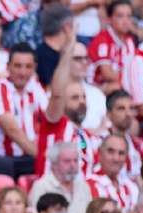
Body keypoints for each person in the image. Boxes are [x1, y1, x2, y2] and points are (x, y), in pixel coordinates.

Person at [35, 26, 98, 178]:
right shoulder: (54, 123)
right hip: (52, 191)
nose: (82, 102)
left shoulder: (85, 135)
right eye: (75, 98)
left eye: (83, 97)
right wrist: (68, 51)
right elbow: (57, 95)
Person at [0, 42, 45, 169]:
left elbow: (48, 118)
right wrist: (42, 158)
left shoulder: (35, 87)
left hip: (30, 157)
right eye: (18, 66)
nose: (22, 72)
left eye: (28, 67)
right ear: (8, 67)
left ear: (35, 68)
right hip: (4, 159)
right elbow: (11, 129)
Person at [28, 141, 92, 213]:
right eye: (67, 161)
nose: (73, 165)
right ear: (54, 164)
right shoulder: (41, 186)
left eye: (75, 161)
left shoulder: (83, 186)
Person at [85, 135, 139, 213]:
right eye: (111, 152)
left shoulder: (132, 187)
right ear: (99, 153)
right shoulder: (88, 185)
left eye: (121, 153)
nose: (116, 158)